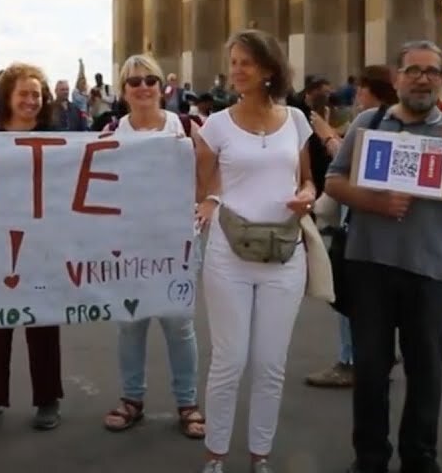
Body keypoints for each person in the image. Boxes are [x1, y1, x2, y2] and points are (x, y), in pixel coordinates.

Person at [325, 41, 442, 473]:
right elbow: (333, 181)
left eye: (431, 71)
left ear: (441, 81)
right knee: (371, 373)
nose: (422, 78)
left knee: (426, 373)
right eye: (413, 70)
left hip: (429, 271)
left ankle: (420, 456)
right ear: (397, 78)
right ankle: (371, 457)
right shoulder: (368, 122)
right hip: (368, 267)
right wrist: (375, 202)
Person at [194, 30, 315, 473]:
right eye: (234, 61)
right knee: (230, 360)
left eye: (247, 62)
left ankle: (260, 455)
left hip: (285, 253)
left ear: (268, 69)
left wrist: (305, 195)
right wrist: (207, 200)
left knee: (270, 363)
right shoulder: (216, 125)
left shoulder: (297, 121)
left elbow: (307, 179)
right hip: (228, 254)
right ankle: (215, 456)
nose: (237, 70)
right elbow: (203, 184)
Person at [99, 54, 205, 440]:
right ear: (124, 91)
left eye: (150, 80)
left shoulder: (188, 127)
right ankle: (131, 398)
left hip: (177, 242)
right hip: (127, 242)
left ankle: (187, 402)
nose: (143, 87)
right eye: (134, 81)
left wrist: (205, 205)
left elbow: (211, 173)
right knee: (130, 324)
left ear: (163, 87)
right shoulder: (112, 132)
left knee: (179, 325)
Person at [0, 62, 64, 430]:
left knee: (42, 318)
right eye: (23, 93)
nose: (31, 101)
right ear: (7, 97)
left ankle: (48, 399)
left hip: (41, 240)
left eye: (36, 95)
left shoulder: (58, 139)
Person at [305, 65, 398, 389]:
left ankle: (350, 361)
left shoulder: (375, 120)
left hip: (363, 217)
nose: (357, 95)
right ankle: (377, 353)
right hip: (380, 222)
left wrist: (326, 134)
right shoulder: (392, 120)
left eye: (361, 89)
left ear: (372, 90)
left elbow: (356, 164)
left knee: (348, 292)